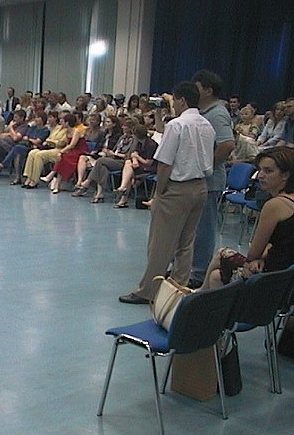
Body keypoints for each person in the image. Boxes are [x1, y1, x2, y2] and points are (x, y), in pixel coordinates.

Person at [119, 81, 215, 304]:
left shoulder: (177, 125)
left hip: (177, 188)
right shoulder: (207, 125)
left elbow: (165, 163)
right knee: (186, 242)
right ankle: (176, 289)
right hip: (200, 186)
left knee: (160, 244)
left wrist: (159, 193)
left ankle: (148, 291)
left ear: (181, 100)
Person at [203, 147, 294, 288]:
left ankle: (198, 293)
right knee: (216, 276)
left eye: (268, 171)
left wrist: (258, 259)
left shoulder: (274, 205)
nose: (260, 176)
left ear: (285, 175)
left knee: (222, 254)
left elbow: (253, 253)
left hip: (270, 277)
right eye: (260, 170)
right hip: (285, 276)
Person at [188, 70, 236, 288]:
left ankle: (199, 273)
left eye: (197, 87)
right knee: (194, 227)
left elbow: (227, 144)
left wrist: (208, 167)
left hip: (210, 180)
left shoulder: (217, 113)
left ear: (208, 90)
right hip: (199, 179)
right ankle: (190, 267)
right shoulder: (202, 111)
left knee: (204, 228)